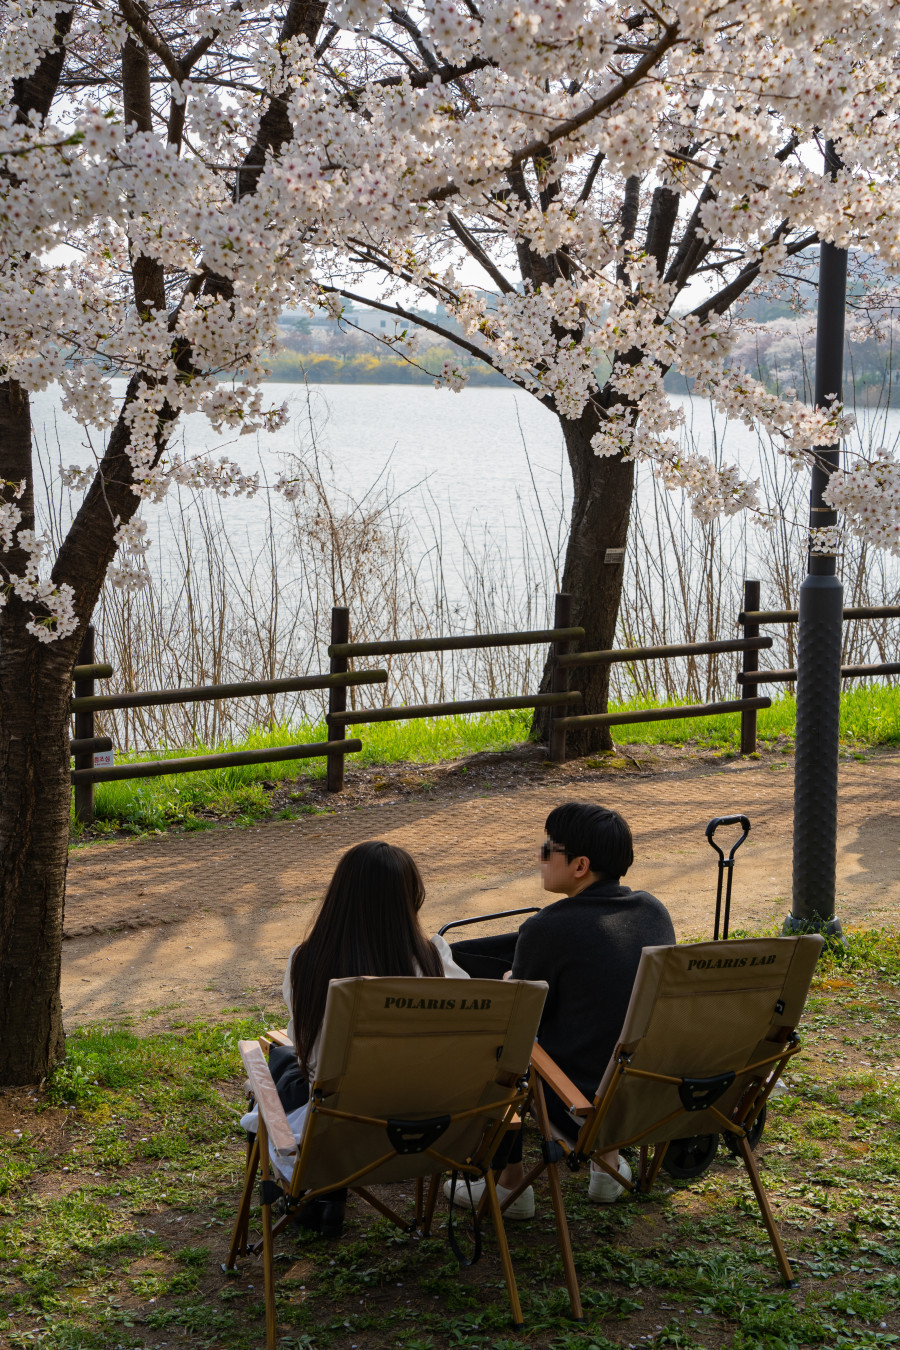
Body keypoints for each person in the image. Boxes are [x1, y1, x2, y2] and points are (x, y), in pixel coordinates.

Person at [447, 801, 675, 1217]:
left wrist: (510, 987)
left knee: (498, 1045)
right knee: (610, 1022)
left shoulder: (546, 928)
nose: (540, 857)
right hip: (644, 1098)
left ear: (580, 866)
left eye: (547, 849)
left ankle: (510, 1185)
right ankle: (607, 1167)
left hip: (575, 1104)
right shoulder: (653, 912)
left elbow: (520, 1024)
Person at [241, 839, 468, 1236]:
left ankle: (316, 1193)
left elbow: (307, 1048)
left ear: (339, 897)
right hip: (427, 1130)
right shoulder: (434, 957)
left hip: (335, 1133)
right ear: (410, 897)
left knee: (283, 1061)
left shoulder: (306, 961)